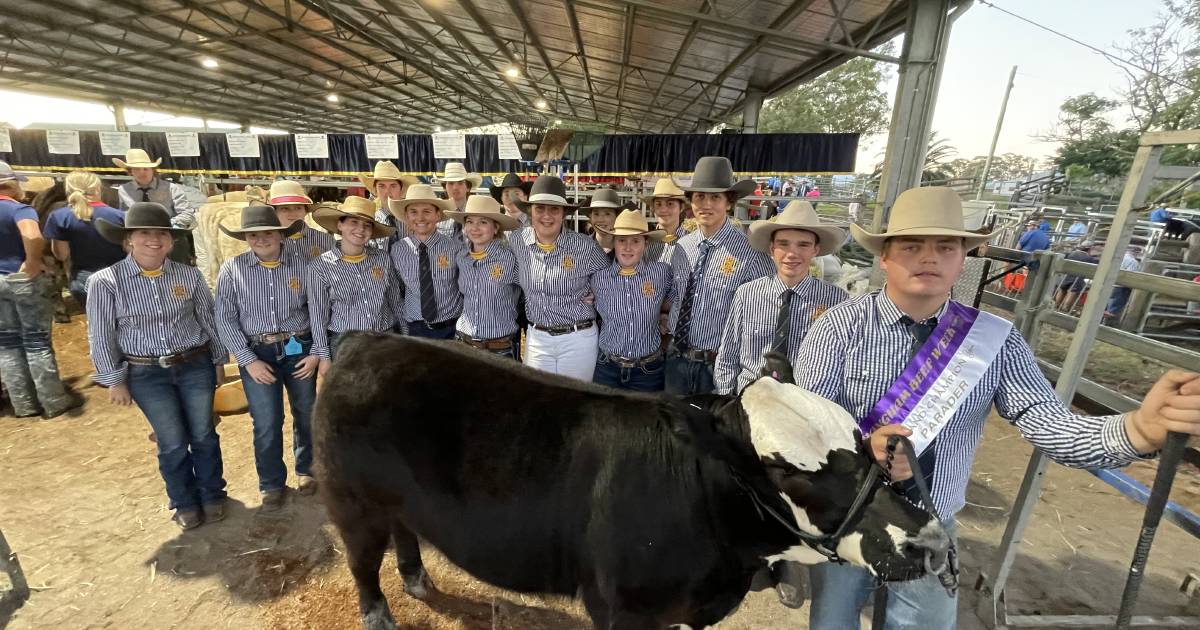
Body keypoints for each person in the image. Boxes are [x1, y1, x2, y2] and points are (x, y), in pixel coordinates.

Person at [795, 186, 1200, 629]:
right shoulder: (838, 328)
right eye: (911, 246)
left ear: (962, 260)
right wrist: (861, 448)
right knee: (832, 621)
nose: (929, 258)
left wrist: (1140, 428)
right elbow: (809, 426)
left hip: (932, 522)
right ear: (885, 257)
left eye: (945, 247)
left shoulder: (995, 341)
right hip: (850, 513)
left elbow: (1050, 425)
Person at [86, 202, 228, 530]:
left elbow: (208, 320)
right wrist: (114, 380)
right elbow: (101, 333)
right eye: (145, 233)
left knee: (204, 433)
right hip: (145, 371)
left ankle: (212, 493)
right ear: (129, 240)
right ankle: (183, 500)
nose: (154, 239)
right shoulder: (106, 282)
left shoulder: (188, 275)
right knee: (172, 438)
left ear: (170, 240)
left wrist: (219, 360)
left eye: (162, 233)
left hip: (194, 363)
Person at [214, 206, 318, 511]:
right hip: (257, 351)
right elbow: (225, 318)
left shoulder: (303, 266)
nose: (262, 239)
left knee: (306, 410)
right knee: (266, 420)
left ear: (280, 236)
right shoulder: (233, 270)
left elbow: (316, 310)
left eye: (268, 233)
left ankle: (307, 469)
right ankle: (271, 482)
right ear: (246, 238)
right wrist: (247, 359)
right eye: (254, 235)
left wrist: (314, 352)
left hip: (298, 344)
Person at [714, 201, 849, 396]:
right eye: (783, 244)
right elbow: (728, 355)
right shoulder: (747, 294)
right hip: (750, 401)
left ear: (815, 250)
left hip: (803, 405)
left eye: (803, 245)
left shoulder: (836, 301)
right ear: (771, 249)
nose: (792, 254)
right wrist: (727, 401)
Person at [665, 156, 773, 395]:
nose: (706, 204)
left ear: (729, 202)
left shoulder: (751, 253)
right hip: (675, 360)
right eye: (700, 196)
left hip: (717, 366)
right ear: (690, 202)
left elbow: (764, 308)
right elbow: (669, 292)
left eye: (715, 197)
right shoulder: (681, 247)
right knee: (676, 428)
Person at [0, 163, 80, 419]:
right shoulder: (19, 209)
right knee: (36, 341)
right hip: (20, 279)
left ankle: (23, 404)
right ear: (11, 185)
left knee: (8, 344)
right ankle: (53, 401)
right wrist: (33, 261)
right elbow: (32, 235)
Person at [511, 175, 609, 380]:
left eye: (554, 209)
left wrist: (597, 294)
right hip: (537, 339)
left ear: (564, 213)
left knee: (576, 402)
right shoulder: (517, 241)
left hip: (578, 339)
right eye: (540, 208)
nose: (546, 215)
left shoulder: (585, 246)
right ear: (530, 211)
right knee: (540, 402)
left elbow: (610, 280)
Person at [307, 196, 405, 374]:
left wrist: (406, 338)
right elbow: (318, 315)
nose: (361, 229)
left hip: (385, 338)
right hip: (346, 343)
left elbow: (395, 301)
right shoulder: (320, 266)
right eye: (353, 222)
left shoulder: (382, 258)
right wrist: (324, 356)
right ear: (340, 225)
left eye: (367, 225)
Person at [590, 210, 672, 391]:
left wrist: (665, 314)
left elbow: (676, 297)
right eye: (622, 240)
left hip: (648, 370)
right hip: (607, 368)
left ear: (646, 243)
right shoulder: (598, 279)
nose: (628, 248)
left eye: (635, 241)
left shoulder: (661, 273)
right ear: (614, 243)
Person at [447, 195, 522, 358]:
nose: (475, 228)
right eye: (469, 221)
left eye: (483, 222)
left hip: (499, 348)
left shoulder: (510, 258)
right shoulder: (461, 258)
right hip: (463, 343)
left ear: (496, 228)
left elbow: (533, 289)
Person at [387, 184, 464, 339]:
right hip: (415, 330)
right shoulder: (398, 250)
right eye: (413, 212)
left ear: (437, 215)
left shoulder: (455, 248)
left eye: (427, 212)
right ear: (407, 216)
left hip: (450, 329)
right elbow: (397, 291)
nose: (420, 218)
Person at [43, 171, 126, 309]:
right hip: (119, 278)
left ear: (68, 190)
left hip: (83, 281)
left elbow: (61, 254)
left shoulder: (58, 217)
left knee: (96, 324)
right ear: (98, 189)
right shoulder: (121, 216)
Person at [113, 149, 197, 264]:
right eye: (137, 169)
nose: (142, 173)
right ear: (130, 171)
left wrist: (167, 225)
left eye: (146, 169)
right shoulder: (124, 190)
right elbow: (124, 215)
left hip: (171, 241)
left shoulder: (171, 189)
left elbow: (188, 214)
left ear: (153, 170)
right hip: (141, 244)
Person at [359, 160, 419, 251]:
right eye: (382, 186)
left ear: (401, 189)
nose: (387, 192)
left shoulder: (414, 219)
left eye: (393, 186)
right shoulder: (370, 220)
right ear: (375, 190)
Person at [269, 180, 334, 263]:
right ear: (275, 212)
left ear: (305, 210)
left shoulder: (326, 240)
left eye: (298, 208)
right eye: (285, 208)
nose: (293, 213)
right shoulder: (265, 243)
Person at [643, 178, 691, 265]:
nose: (663, 209)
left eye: (670, 204)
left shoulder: (692, 242)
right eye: (658, 204)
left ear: (681, 207)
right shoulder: (644, 243)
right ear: (653, 208)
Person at [436, 162, 481, 239]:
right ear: (444, 188)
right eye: (451, 183)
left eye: (460, 183)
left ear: (468, 187)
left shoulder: (479, 212)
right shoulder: (437, 213)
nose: (455, 187)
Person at [1054, 241, 1101, 311]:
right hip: (1078, 278)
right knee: (1073, 292)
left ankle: (1056, 305)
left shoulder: (1072, 254)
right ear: (1089, 249)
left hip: (1067, 275)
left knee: (1062, 289)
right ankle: (1065, 308)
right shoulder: (1089, 259)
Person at [1104, 246, 1143, 322]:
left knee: (1105, 306)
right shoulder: (1133, 262)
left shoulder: (1116, 258)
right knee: (1112, 310)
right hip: (1121, 287)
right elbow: (1129, 276)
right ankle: (1107, 325)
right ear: (1136, 253)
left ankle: (1100, 323)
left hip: (1109, 284)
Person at [581, 188, 621, 254]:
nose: (600, 219)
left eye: (607, 214)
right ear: (590, 217)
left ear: (617, 217)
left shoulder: (626, 249)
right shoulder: (581, 247)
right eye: (596, 214)